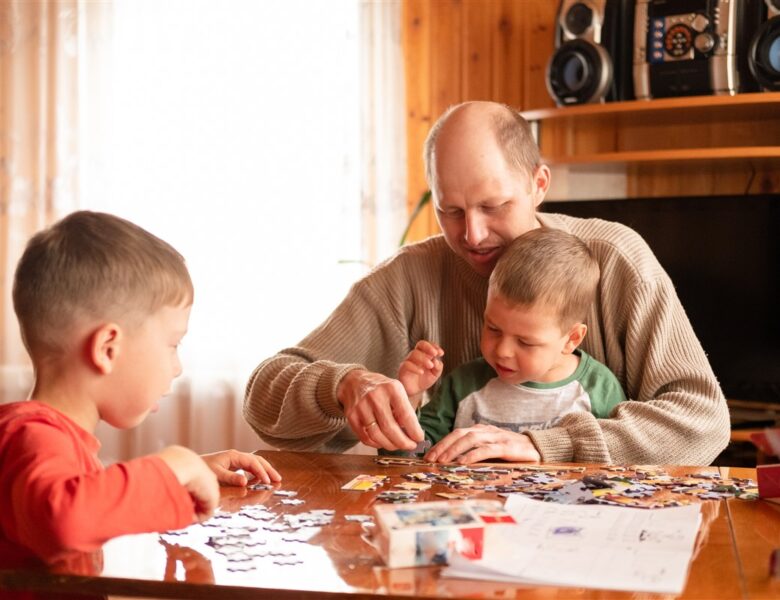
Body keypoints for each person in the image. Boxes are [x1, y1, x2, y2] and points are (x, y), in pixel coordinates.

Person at [243, 100, 730, 465]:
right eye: (450, 211)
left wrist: (543, 447)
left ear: (539, 184)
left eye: (493, 206)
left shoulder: (616, 259)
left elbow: (703, 421)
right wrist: (343, 385)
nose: (471, 235)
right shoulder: (409, 277)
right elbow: (263, 396)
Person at [0, 211, 281, 574]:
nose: (177, 367)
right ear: (107, 349)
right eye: (172, 345)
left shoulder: (46, 437)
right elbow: (65, 520)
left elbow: (91, 495)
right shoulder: (33, 436)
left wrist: (188, 473)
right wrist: (172, 464)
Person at [398, 228, 626, 463]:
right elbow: (412, 458)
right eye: (493, 328)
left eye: (525, 342)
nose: (502, 351)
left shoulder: (599, 389)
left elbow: (622, 463)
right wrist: (409, 398)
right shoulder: (464, 385)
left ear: (571, 339)